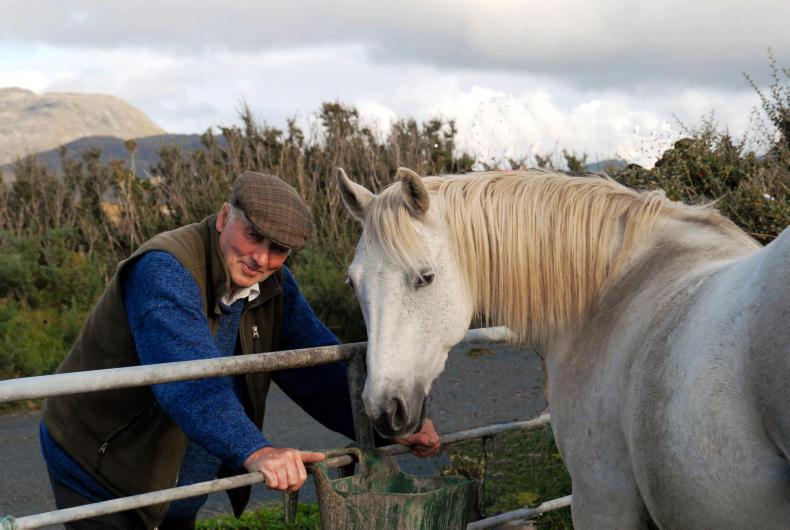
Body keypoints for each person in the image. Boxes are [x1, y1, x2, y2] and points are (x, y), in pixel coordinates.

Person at [40, 172, 441, 529]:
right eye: (253, 235)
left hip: (175, 481)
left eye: (279, 249)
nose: (261, 259)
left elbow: (315, 369)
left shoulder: (274, 284)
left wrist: (393, 426)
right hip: (100, 462)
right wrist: (257, 450)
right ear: (223, 217)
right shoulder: (164, 269)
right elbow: (188, 378)